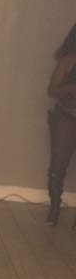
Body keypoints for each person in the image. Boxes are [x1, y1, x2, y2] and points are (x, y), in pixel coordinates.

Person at [46, 23, 76, 225]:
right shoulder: (69, 61)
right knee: (58, 164)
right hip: (67, 115)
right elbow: (51, 90)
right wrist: (70, 89)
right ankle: (55, 208)